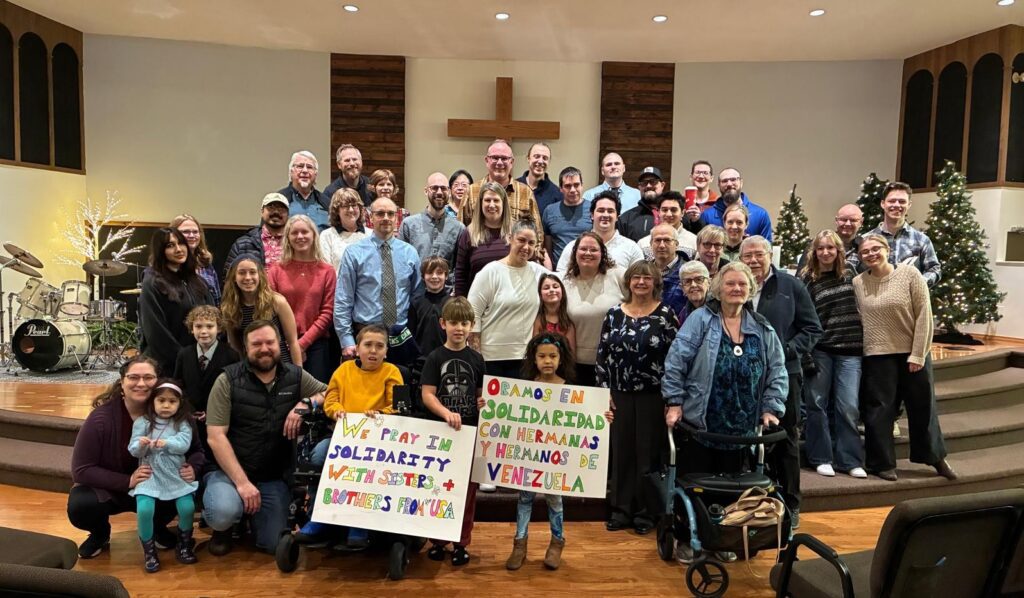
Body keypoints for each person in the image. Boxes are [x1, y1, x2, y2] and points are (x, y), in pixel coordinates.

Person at [662, 261, 789, 564]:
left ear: (750, 289)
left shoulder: (761, 327)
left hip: (743, 426)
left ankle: (727, 536)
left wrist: (772, 408)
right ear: (719, 289)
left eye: (742, 284)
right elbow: (676, 361)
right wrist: (674, 401)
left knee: (733, 489)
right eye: (730, 284)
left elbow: (778, 371)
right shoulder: (701, 320)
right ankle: (687, 538)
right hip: (701, 422)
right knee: (698, 486)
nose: (736, 289)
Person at [203, 320, 327, 555]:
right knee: (222, 512)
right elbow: (215, 437)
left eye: (270, 342)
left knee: (273, 543)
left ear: (279, 344)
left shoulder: (295, 376)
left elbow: (331, 391)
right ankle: (228, 525)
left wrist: (305, 403)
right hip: (229, 473)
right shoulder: (227, 380)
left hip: (272, 475)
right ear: (246, 348)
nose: (264, 348)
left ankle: (250, 515)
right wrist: (242, 483)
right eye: (256, 343)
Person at [68, 356, 204, 560]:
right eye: (133, 377)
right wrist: (127, 481)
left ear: (158, 382)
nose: (141, 383)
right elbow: (81, 469)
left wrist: (193, 466)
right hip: (114, 488)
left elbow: (197, 450)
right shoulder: (101, 419)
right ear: (122, 382)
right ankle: (100, 534)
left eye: (148, 377)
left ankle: (158, 528)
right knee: (82, 505)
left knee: (184, 492)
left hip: (158, 483)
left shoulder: (178, 416)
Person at [506, 331, 613, 571]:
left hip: (556, 461)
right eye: (542, 356)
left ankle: (557, 542)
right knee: (524, 499)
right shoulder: (523, 388)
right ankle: (519, 544)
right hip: (529, 456)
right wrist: (489, 405)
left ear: (560, 358)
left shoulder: (571, 389)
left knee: (555, 499)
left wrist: (602, 417)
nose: (547, 361)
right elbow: (508, 416)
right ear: (533, 359)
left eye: (552, 356)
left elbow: (587, 417)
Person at [853, 234, 956, 482]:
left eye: (875, 248)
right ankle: (881, 463)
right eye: (865, 251)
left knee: (922, 407)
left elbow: (924, 315)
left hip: (912, 353)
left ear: (887, 249)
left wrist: (918, 353)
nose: (871, 254)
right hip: (877, 355)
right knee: (879, 410)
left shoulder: (911, 275)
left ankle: (934, 457)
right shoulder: (858, 282)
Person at [740, 235, 823, 528]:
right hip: (744, 376)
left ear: (769, 255)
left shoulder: (792, 286)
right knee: (747, 438)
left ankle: (791, 504)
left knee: (785, 439)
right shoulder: (738, 285)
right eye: (747, 255)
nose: (753, 260)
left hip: (785, 375)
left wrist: (785, 350)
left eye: (758, 254)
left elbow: (812, 328)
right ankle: (752, 501)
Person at [296, 325, 401, 549]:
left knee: (363, 466)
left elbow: (398, 407)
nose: (373, 350)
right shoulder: (343, 371)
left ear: (386, 351)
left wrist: (381, 414)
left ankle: (358, 523)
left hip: (377, 442)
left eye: (379, 346)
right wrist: (337, 410)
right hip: (341, 436)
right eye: (368, 345)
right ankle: (319, 517)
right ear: (357, 348)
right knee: (317, 458)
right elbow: (331, 399)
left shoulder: (391, 372)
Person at [597, 261, 679, 534]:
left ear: (655, 283)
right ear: (628, 282)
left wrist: (672, 396)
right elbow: (603, 355)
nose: (641, 282)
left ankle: (647, 513)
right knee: (621, 454)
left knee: (648, 455)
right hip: (619, 393)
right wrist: (604, 390)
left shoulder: (666, 315)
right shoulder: (613, 315)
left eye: (647, 278)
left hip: (653, 395)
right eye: (636, 278)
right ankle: (621, 510)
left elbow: (675, 358)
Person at [420, 298, 486, 567]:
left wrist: (485, 405)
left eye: (465, 323)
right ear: (443, 324)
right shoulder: (435, 358)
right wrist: (446, 413)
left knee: (467, 491)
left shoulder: (478, 359)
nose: (459, 328)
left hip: (469, 434)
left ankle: (461, 542)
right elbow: (427, 394)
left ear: (471, 326)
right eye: (454, 322)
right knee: (438, 487)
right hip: (441, 435)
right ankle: (437, 539)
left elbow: (483, 395)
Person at [799, 230, 866, 479]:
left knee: (847, 406)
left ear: (839, 250)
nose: (825, 252)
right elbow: (802, 318)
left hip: (851, 351)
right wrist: (806, 353)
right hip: (821, 350)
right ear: (814, 252)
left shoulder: (851, 274)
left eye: (831, 248)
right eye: (820, 248)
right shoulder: (808, 278)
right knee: (816, 404)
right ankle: (821, 457)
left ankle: (849, 459)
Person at [335, 197, 424, 358]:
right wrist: (346, 340)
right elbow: (343, 299)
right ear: (370, 217)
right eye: (380, 213)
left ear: (396, 217)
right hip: (366, 335)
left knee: (399, 382)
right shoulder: (354, 253)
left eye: (390, 214)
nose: (386, 218)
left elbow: (417, 297)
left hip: (400, 336)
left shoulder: (410, 253)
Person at [128, 381, 200, 572]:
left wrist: (165, 442)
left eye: (172, 401)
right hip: (150, 474)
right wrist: (141, 445)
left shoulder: (182, 423)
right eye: (161, 400)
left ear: (179, 403)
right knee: (144, 509)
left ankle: (184, 545)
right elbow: (133, 450)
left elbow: (184, 444)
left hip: (175, 473)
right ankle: (149, 552)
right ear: (152, 401)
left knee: (187, 507)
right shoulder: (142, 422)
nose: (166, 405)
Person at [467, 220, 549, 377]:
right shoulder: (490, 272)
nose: (526, 247)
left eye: (531, 243)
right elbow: (473, 317)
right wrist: (477, 359)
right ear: (510, 238)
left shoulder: (540, 273)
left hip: (526, 358)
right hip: (491, 359)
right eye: (521, 240)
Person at [268, 215, 336, 383]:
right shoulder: (276, 270)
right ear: (288, 238)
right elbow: (270, 309)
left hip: (316, 344)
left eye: (305, 232)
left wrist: (302, 344)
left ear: (313, 235)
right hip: (282, 343)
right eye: (294, 233)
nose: (300, 237)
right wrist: (290, 343)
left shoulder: (327, 271)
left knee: (315, 397)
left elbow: (328, 312)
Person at [139, 228, 214, 376]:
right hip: (167, 366)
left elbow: (212, 316)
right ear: (161, 251)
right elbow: (155, 332)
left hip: (199, 362)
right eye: (170, 245)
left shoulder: (197, 281)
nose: (178, 249)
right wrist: (184, 359)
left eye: (181, 243)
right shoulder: (153, 283)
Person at [173, 305, 240, 462]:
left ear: (219, 328)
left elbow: (234, 391)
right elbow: (178, 385)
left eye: (209, 326)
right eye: (198, 326)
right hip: (190, 420)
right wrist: (187, 410)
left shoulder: (231, 355)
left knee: (213, 459)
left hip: (218, 420)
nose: (204, 331)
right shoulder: (184, 354)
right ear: (191, 329)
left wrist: (213, 413)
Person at [562, 232, 625, 387]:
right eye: (583, 249)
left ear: (602, 254)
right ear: (575, 253)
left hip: (613, 362)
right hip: (574, 364)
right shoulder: (564, 282)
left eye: (594, 249)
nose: (588, 253)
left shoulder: (619, 275)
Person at [850, 182, 941, 287]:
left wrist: (918, 284)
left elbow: (934, 269)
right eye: (892, 201)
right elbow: (850, 270)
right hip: (872, 300)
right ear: (883, 204)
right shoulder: (864, 240)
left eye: (902, 201)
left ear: (909, 205)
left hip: (909, 301)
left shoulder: (921, 240)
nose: (897, 205)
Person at [459, 139, 544, 247]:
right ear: (486, 160)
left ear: (512, 162)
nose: (499, 162)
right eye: (495, 158)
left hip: (516, 261)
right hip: (478, 260)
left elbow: (537, 234)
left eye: (504, 158)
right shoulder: (471, 192)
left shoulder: (525, 193)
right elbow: (460, 232)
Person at [221, 256, 302, 366]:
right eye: (242, 273)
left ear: (260, 275)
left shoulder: (277, 302)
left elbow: (293, 342)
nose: (248, 277)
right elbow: (235, 347)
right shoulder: (229, 307)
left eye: (252, 272)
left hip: (282, 366)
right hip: (251, 370)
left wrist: (299, 375)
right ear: (234, 277)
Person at [556, 191, 643, 273]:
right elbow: (561, 279)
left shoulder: (632, 248)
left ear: (617, 217)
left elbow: (639, 280)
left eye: (610, 211)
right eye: (601, 210)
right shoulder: (573, 247)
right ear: (592, 215)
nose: (605, 215)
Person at [453, 182, 513, 298]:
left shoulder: (515, 233)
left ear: (503, 203)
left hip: (510, 306)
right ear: (480, 203)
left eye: (496, 200)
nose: (491, 205)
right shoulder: (469, 234)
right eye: (487, 200)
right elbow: (461, 276)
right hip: (476, 305)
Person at [398, 171, 465, 270]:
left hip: (447, 285)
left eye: (443, 188)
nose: (439, 192)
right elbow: (401, 261)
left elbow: (460, 267)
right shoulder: (409, 225)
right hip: (416, 285)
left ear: (449, 192)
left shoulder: (459, 228)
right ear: (426, 191)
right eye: (434, 188)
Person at [695, 168, 773, 241]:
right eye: (724, 181)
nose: (729, 184)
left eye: (733, 179)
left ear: (741, 182)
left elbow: (767, 249)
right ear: (719, 185)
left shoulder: (760, 214)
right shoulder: (707, 216)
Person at [224, 193, 290, 274]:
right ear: (262, 211)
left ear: (288, 214)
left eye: (281, 208)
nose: (276, 212)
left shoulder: (293, 243)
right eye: (271, 207)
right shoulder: (242, 243)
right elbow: (228, 277)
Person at [542, 166, 592, 268]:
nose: (573, 190)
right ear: (561, 189)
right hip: (559, 271)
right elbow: (547, 246)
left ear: (582, 185)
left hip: (587, 269)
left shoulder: (593, 209)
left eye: (576, 185)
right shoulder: (550, 211)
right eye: (568, 186)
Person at [171, 214, 221, 305]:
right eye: (185, 232)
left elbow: (217, 301)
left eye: (195, 232)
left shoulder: (206, 265)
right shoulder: (167, 267)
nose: (191, 235)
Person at [408, 256, 451, 358]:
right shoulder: (415, 302)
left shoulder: (452, 303)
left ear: (446, 276)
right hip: (420, 361)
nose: (434, 276)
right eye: (430, 272)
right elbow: (411, 334)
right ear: (423, 277)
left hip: (446, 358)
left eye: (439, 273)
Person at [278, 150, 330, 231]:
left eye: (309, 167)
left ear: (315, 174)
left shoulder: (326, 202)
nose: (305, 170)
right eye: (300, 166)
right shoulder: (279, 200)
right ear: (291, 171)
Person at [319, 188, 366, 270]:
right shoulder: (327, 236)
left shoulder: (371, 234)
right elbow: (326, 270)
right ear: (337, 210)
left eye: (354, 205)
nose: (351, 210)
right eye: (346, 206)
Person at [646, 223, 687, 318]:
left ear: (676, 244)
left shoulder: (687, 272)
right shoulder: (643, 272)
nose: (662, 245)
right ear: (651, 244)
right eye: (657, 240)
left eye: (667, 240)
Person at [639, 192, 697, 257]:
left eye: (673, 210)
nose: (669, 214)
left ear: (682, 213)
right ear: (658, 212)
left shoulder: (694, 242)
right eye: (665, 210)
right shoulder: (643, 243)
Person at [533, 273, 577, 355]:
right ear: (540, 294)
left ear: (562, 291)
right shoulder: (537, 321)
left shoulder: (568, 323)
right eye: (546, 288)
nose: (552, 290)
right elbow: (534, 351)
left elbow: (572, 354)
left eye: (555, 287)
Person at [618, 166, 665, 242]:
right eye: (644, 183)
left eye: (653, 182)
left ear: (662, 185)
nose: (648, 186)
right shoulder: (626, 219)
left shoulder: (673, 214)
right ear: (639, 187)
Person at [517, 142, 563, 215]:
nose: (541, 161)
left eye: (545, 158)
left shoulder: (557, 194)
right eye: (537, 156)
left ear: (549, 162)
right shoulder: (513, 187)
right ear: (528, 159)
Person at [677, 261, 711, 325]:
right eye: (687, 281)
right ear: (682, 288)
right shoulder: (682, 315)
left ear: (709, 283)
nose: (693, 285)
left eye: (699, 279)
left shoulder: (721, 309)